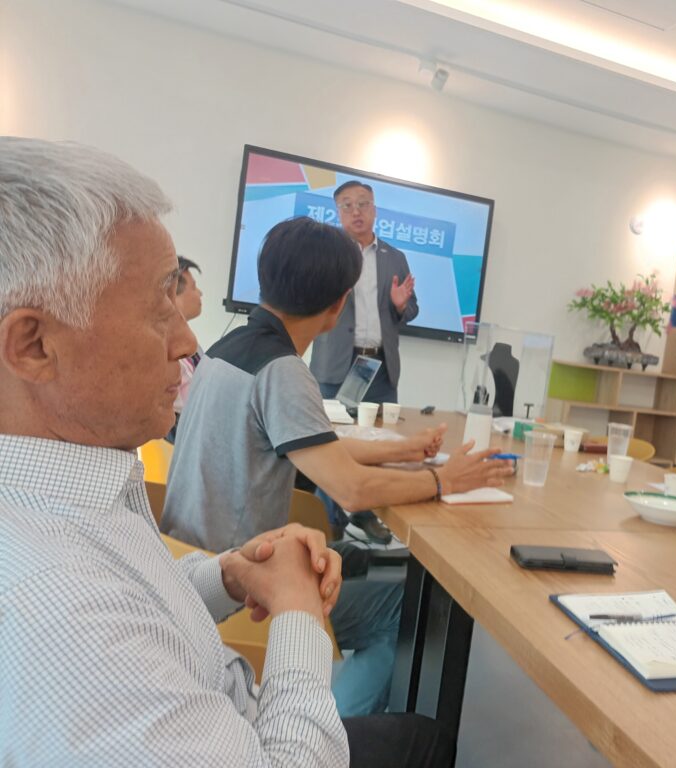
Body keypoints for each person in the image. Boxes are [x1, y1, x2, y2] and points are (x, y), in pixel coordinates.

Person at [0, 137, 453, 766]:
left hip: (219, 593)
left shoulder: (74, 491)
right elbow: (346, 485)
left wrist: (229, 575)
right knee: (426, 734)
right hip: (261, 721)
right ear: (34, 346)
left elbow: (138, 592)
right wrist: (298, 613)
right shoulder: (60, 612)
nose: (187, 339)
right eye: (160, 305)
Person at [161, 215, 511, 717]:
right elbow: (351, 490)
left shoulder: (227, 349)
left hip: (194, 563)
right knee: (404, 609)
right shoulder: (283, 370)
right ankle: (335, 734)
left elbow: (315, 448)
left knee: (372, 562)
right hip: (241, 585)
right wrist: (444, 480)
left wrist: (404, 451)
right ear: (339, 304)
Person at [310, 180, 416, 404]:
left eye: (363, 204)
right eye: (347, 205)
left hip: (381, 370)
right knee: (329, 425)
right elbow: (308, 301)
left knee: (382, 426)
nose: (356, 212)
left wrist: (400, 306)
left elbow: (412, 310)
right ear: (338, 213)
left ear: (374, 210)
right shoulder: (325, 253)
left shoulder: (396, 258)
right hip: (335, 364)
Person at [172, 255, 203, 414]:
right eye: (194, 287)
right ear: (173, 292)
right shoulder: (168, 352)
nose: (200, 293)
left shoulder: (192, 346)